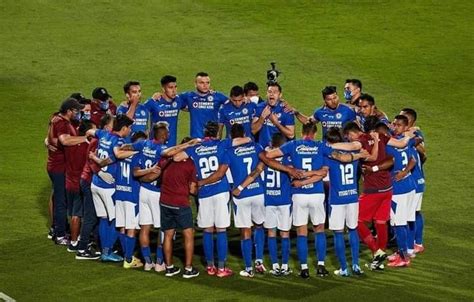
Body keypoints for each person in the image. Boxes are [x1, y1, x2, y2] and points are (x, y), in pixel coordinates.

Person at [199, 124, 300, 277]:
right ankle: (259, 261)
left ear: (231, 137)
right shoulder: (256, 146)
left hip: (242, 196)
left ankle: (248, 268)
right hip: (258, 192)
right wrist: (289, 169)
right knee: (259, 226)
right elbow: (265, 162)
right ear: (244, 133)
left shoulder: (228, 151)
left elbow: (221, 173)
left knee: (245, 231)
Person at [265, 122, 364, 279]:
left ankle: (304, 269)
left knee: (301, 232)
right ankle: (321, 266)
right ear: (315, 133)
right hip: (317, 194)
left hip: (298, 195)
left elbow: (269, 156)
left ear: (303, 132)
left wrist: (294, 172)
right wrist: (358, 155)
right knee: (319, 230)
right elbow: (327, 170)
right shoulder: (320, 147)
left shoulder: (293, 145)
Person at [343, 121, 416, 270]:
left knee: (356, 220)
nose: (349, 139)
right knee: (381, 222)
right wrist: (409, 134)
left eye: (348, 137)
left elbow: (367, 154)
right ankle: (380, 256)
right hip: (387, 188)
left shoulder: (360, 142)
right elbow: (400, 146)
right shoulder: (383, 136)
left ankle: (376, 250)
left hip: (373, 191)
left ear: (352, 133)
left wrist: (331, 146)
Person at [174, 121, 234, 277]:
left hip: (204, 194)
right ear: (216, 134)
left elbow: (176, 157)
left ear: (204, 133)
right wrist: (202, 182)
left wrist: (188, 145)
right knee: (221, 230)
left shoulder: (195, 148)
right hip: (220, 192)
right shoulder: (222, 146)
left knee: (207, 229)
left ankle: (210, 266)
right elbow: (221, 174)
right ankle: (221, 268)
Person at [86, 114, 137, 262]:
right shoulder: (118, 140)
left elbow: (90, 132)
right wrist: (138, 151)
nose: (131, 131)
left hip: (96, 183)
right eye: (130, 128)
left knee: (103, 218)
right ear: (123, 128)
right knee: (116, 220)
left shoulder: (103, 134)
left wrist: (89, 143)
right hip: (109, 187)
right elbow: (117, 153)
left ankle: (104, 250)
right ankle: (107, 252)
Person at [321, 128, 366, 276]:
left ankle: (344, 269)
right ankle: (355, 265)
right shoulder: (353, 154)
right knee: (353, 230)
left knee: (338, 233)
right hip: (353, 197)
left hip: (336, 200)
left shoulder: (328, 155)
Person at [47, 98, 88, 245]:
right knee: (61, 201)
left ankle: (58, 230)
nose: (78, 113)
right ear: (69, 111)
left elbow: (51, 139)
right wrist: (85, 138)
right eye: (76, 110)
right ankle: (59, 234)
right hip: (58, 167)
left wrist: (48, 141)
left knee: (60, 199)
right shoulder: (61, 122)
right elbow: (64, 141)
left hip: (57, 165)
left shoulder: (57, 119)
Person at [160, 138, 200, 278]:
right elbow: (192, 190)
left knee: (168, 235)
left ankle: (169, 268)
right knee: (188, 234)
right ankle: (188, 269)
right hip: (180, 203)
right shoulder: (190, 164)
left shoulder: (167, 161)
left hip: (165, 201)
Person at [76, 114, 114, 260]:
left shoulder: (105, 139)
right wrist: (100, 172)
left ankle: (97, 244)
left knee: (99, 216)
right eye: (112, 124)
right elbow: (90, 160)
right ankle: (82, 248)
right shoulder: (97, 140)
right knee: (91, 217)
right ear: (106, 127)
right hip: (89, 180)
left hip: (93, 180)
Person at [384, 115, 417, 267]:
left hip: (398, 189)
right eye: (394, 124)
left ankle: (403, 258)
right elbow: (414, 160)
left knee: (399, 223)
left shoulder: (390, 145)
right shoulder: (407, 140)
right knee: (408, 219)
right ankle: (407, 250)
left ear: (405, 127)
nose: (395, 127)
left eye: (398, 125)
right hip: (409, 185)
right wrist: (405, 172)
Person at [115, 131, 148, 269]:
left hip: (119, 192)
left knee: (122, 226)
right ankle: (128, 259)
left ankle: (126, 256)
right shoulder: (138, 155)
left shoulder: (122, 154)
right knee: (131, 228)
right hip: (132, 196)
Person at [65, 119, 95, 253]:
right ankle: (74, 242)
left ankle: (74, 239)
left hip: (69, 180)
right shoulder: (86, 146)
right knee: (77, 213)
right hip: (78, 183)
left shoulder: (71, 144)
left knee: (72, 212)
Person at [400, 108, 426, 253]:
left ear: (409, 121)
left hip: (414, 180)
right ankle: (416, 243)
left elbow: (423, 153)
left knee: (411, 214)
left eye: (401, 118)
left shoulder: (414, 135)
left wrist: (412, 138)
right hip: (416, 179)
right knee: (414, 212)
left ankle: (412, 246)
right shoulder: (410, 135)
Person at [180, 72, 228, 138]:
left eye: (207, 83)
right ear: (195, 84)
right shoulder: (189, 96)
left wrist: (245, 99)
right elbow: (174, 100)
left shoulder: (217, 96)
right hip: (196, 139)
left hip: (213, 139)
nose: (205, 85)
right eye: (202, 83)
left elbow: (234, 103)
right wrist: (160, 95)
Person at [252, 83, 295, 147]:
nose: (271, 94)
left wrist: (276, 123)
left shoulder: (286, 110)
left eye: (275, 92)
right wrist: (262, 117)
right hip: (263, 151)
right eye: (269, 92)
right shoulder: (260, 107)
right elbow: (253, 130)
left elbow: (291, 134)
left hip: (279, 151)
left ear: (280, 95)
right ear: (267, 94)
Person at [145, 75, 184, 146]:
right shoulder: (154, 101)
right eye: (170, 87)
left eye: (175, 87)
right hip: (155, 146)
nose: (174, 90)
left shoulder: (178, 100)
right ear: (163, 89)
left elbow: (193, 105)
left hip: (172, 146)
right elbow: (140, 113)